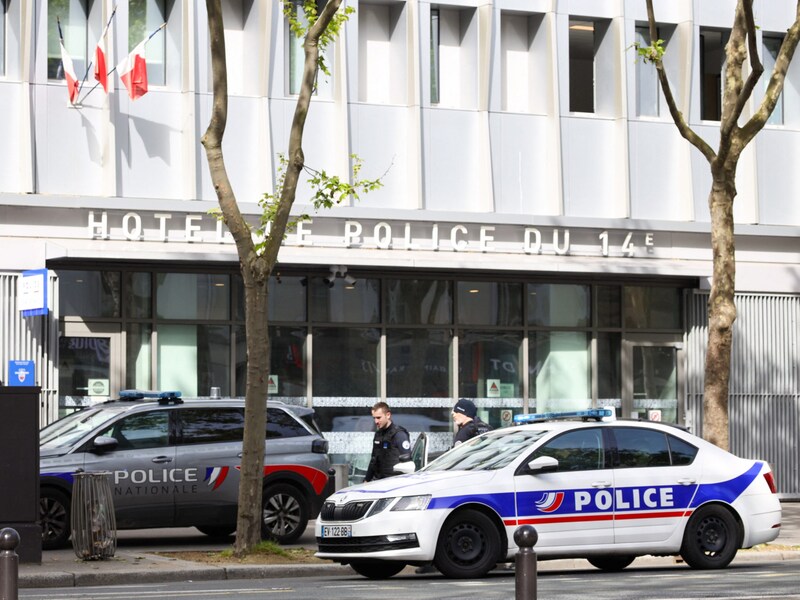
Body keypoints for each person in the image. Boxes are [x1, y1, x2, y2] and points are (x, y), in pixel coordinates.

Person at [364, 401, 411, 482]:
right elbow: (373, 459)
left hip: (393, 482)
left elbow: (407, 462)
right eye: (374, 418)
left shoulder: (399, 434)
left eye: (378, 418)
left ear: (388, 415)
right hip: (378, 481)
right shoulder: (378, 434)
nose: (376, 421)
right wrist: (366, 479)